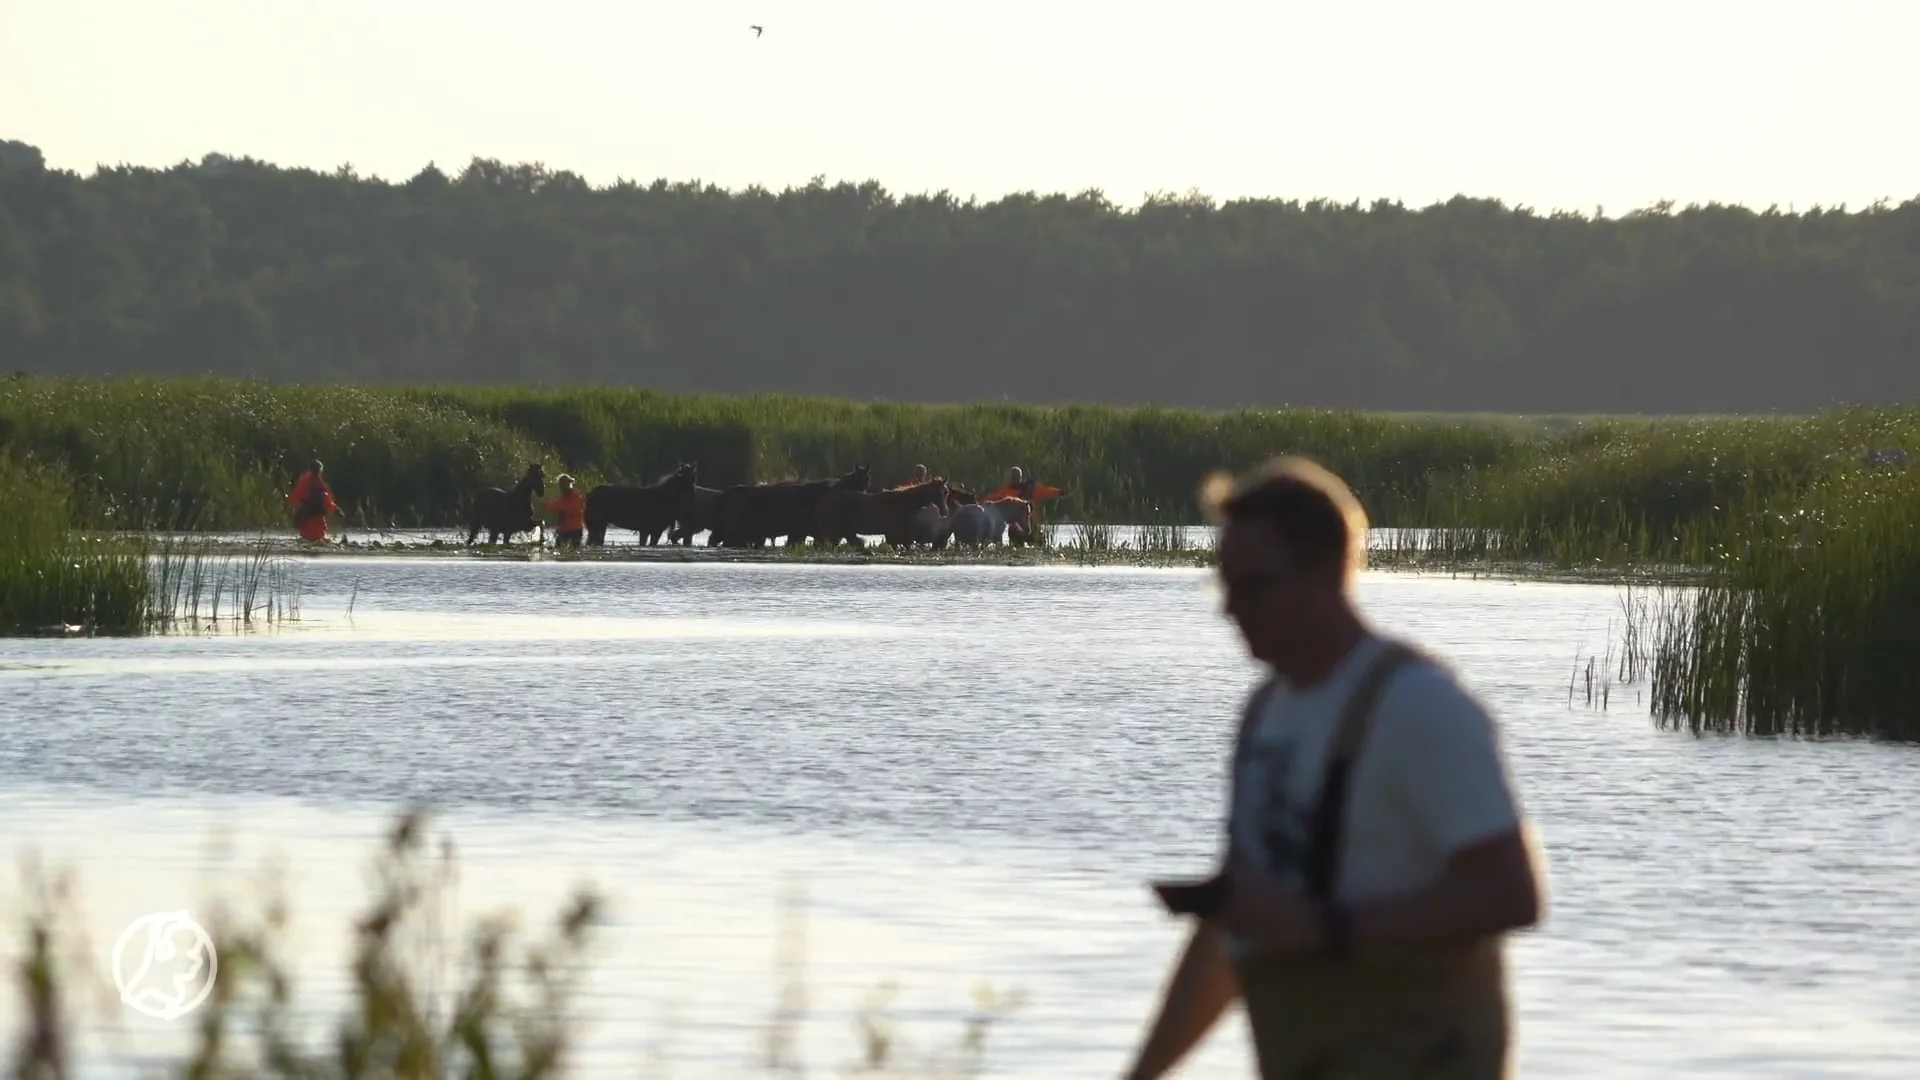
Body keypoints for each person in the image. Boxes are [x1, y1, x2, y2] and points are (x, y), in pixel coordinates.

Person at [1121, 456, 1546, 1080]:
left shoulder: (1420, 706)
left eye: (1253, 585)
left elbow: (1511, 893)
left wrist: (1332, 926)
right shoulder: (1264, 715)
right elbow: (1229, 937)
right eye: (1224, 585)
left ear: (1326, 573)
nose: (1230, 609)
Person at [287, 459, 338, 542]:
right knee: (315, 536)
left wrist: (334, 508)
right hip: (309, 515)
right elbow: (297, 497)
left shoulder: (315, 482)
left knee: (315, 536)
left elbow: (326, 498)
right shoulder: (308, 482)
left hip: (315, 515)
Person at [545, 473, 587, 550]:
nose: (563, 487)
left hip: (575, 529)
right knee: (559, 548)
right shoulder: (563, 497)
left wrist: (559, 507)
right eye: (562, 485)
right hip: (564, 529)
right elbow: (552, 507)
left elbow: (575, 508)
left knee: (573, 550)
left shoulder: (576, 496)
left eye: (565, 485)